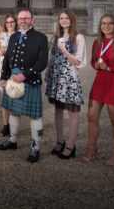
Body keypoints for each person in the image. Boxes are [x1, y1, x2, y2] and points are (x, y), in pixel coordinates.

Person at [0, 8, 48, 163]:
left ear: (32, 20)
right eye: (21, 18)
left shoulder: (41, 38)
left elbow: (42, 62)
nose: (23, 21)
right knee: (13, 112)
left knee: (34, 115)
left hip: (29, 80)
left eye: (26, 18)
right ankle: (12, 140)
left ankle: (35, 147)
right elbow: (6, 59)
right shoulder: (14, 37)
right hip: (12, 80)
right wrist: (4, 77)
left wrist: (24, 74)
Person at [81, 14, 114, 166]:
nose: (106, 26)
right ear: (100, 25)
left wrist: (110, 67)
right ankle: (91, 149)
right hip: (99, 83)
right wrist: (96, 65)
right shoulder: (98, 42)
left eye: (110, 23)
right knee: (91, 116)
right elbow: (93, 61)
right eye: (103, 23)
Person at [45, 9, 87, 159]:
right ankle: (59, 141)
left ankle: (70, 145)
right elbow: (52, 57)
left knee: (73, 112)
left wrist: (64, 50)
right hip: (56, 78)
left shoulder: (79, 38)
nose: (63, 20)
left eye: (66, 18)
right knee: (58, 109)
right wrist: (48, 72)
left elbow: (78, 62)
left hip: (70, 79)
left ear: (72, 20)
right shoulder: (56, 37)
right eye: (61, 18)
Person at [0, 14, 17, 137]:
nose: (9, 24)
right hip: (2, 69)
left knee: (13, 99)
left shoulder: (19, 35)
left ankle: (14, 126)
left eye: (12, 21)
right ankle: (5, 125)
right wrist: (0, 52)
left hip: (15, 69)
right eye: (7, 22)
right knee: (4, 100)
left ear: (15, 23)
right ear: (5, 23)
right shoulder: (1, 35)